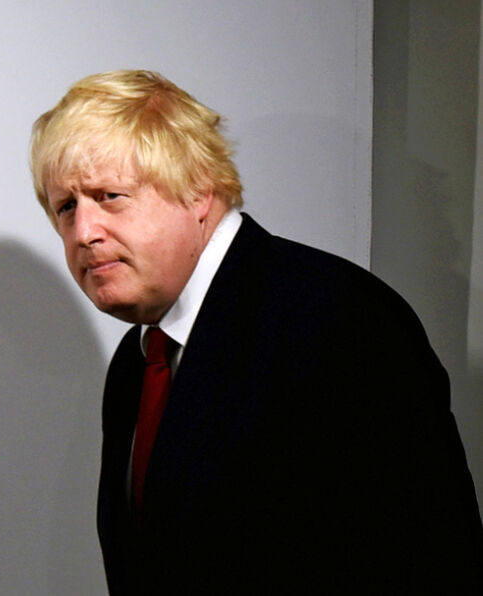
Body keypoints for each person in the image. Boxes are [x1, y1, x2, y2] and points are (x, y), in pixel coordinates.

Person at [29, 70, 483, 594]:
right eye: (66, 207)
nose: (84, 232)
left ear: (198, 189)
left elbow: (431, 560)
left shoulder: (339, 321)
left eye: (109, 196)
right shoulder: (139, 361)